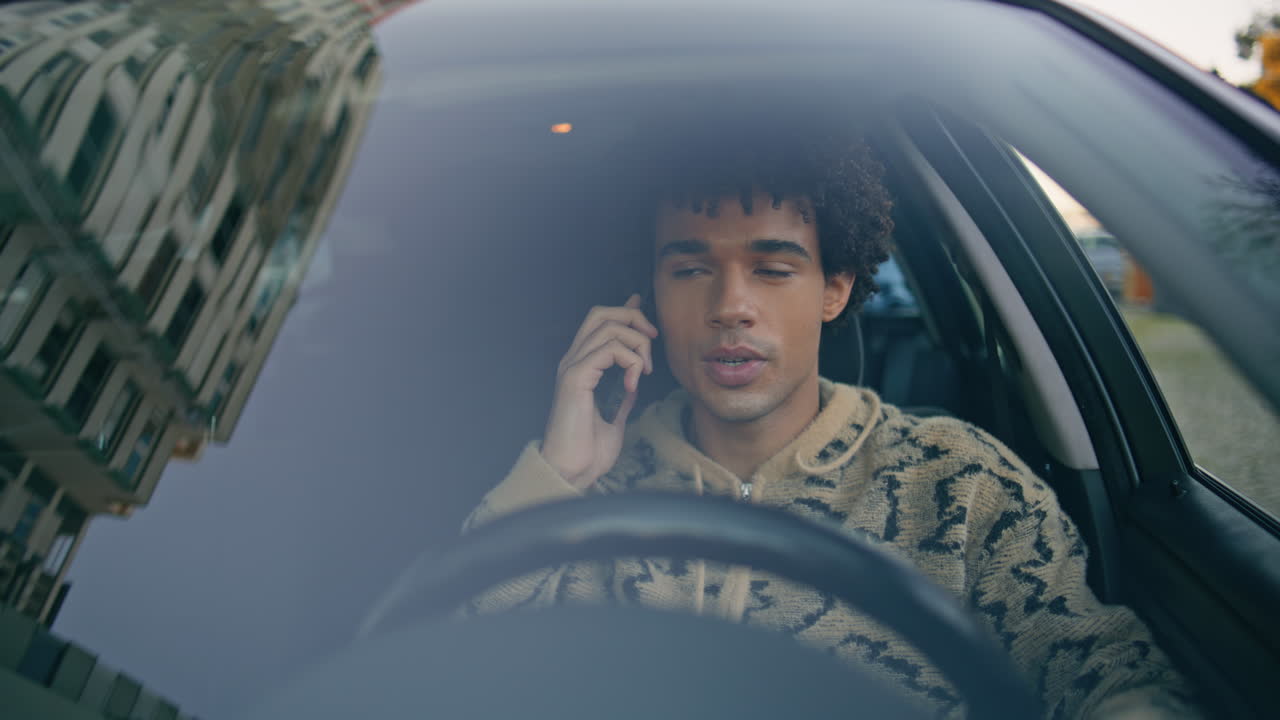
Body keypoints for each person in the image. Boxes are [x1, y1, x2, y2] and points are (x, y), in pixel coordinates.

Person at [459, 127, 1196, 719]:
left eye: (773, 270)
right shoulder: (579, 500)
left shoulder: (959, 483)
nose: (729, 307)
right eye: (689, 270)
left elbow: (1098, 672)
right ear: (647, 294)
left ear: (834, 291)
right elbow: (434, 673)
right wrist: (559, 478)